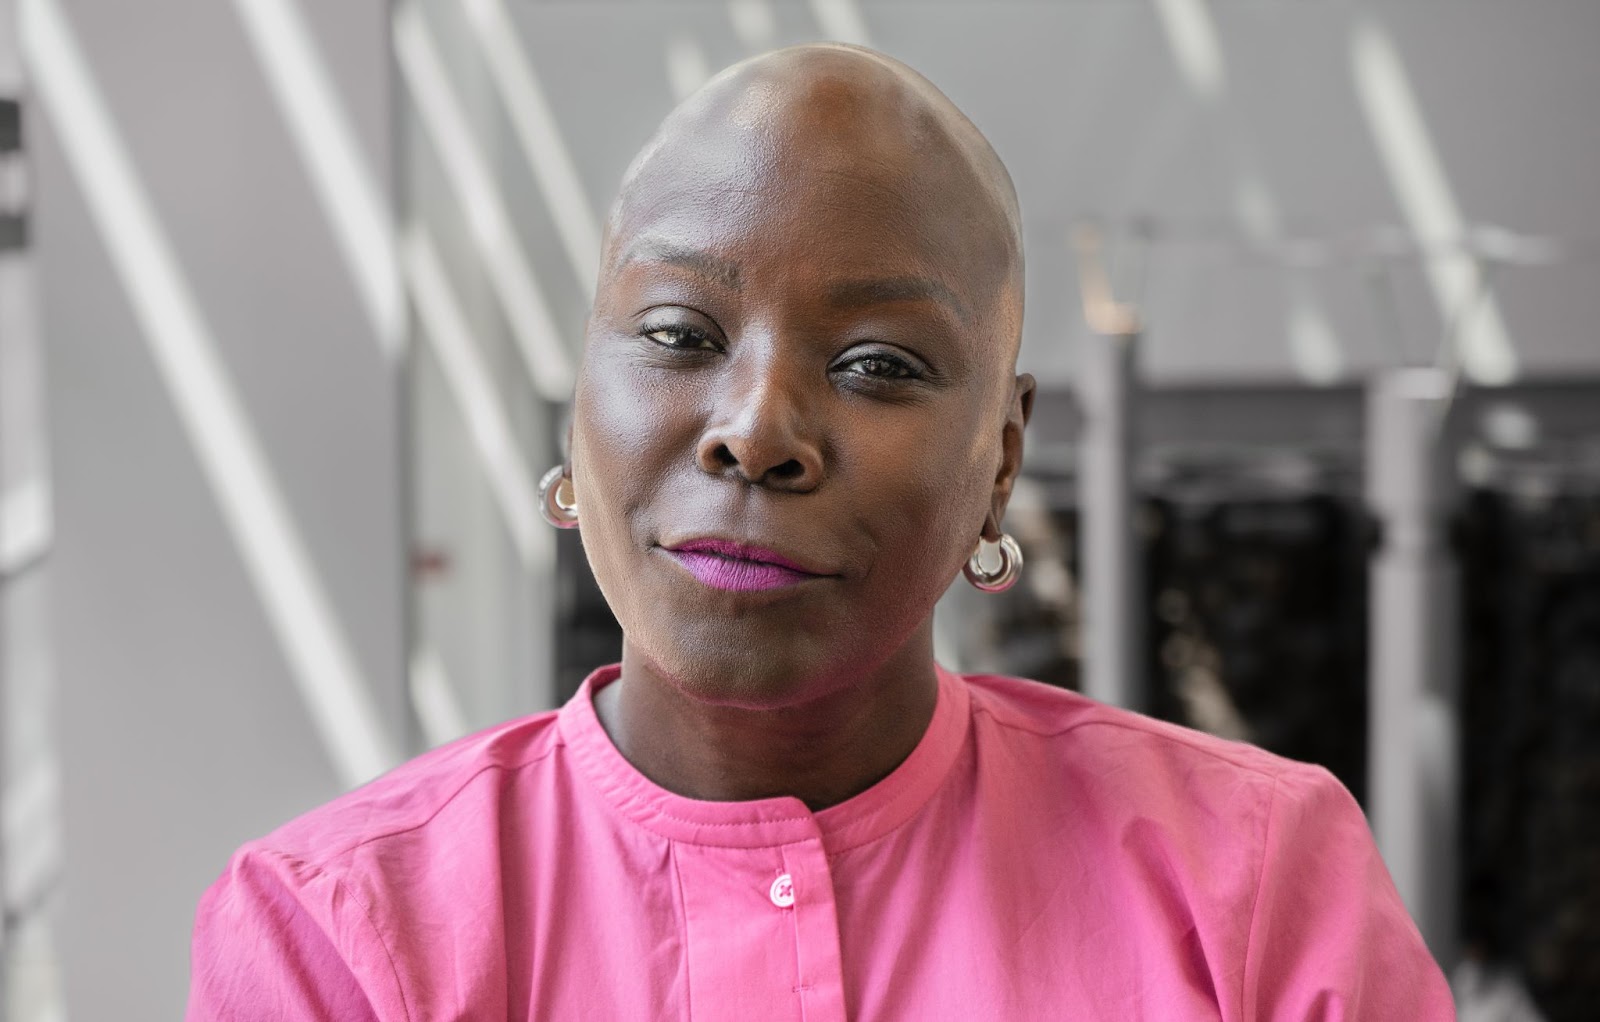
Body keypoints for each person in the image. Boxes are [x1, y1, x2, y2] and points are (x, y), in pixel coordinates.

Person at [187, 43, 1454, 1020]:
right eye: (678, 334)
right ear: (579, 405)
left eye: (878, 362)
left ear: (1001, 458)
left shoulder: (1252, 886)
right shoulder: (340, 934)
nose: (755, 432)